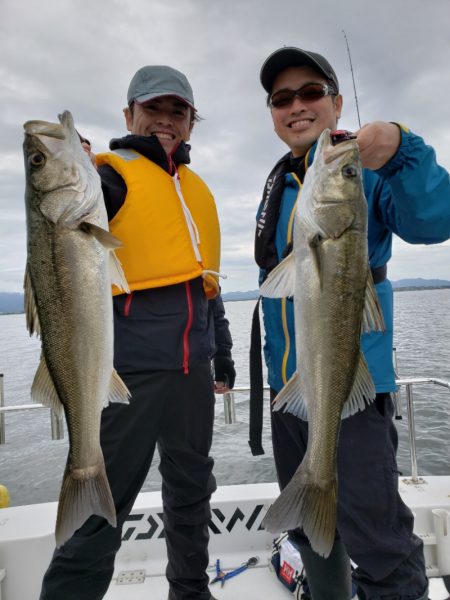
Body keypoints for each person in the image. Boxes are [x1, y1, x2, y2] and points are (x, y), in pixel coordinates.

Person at [254, 47, 450, 600]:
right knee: (312, 536)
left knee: (378, 540)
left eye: (311, 92)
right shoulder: (287, 183)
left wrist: (400, 148)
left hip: (353, 395)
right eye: (282, 98)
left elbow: (437, 218)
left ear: (337, 103)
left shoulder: (362, 172)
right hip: (290, 391)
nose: (297, 105)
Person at [40, 65, 235, 600]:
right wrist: (65, 164)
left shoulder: (197, 192)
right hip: (124, 374)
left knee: (192, 494)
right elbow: (66, 229)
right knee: (99, 509)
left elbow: (205, 285)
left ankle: (190, 592)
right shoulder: (109, 178)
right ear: (129, 115)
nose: (166, 121)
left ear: (191, 122)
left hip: (193, 373)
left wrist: (221, 352)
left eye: (178, 112)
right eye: (153, 109)